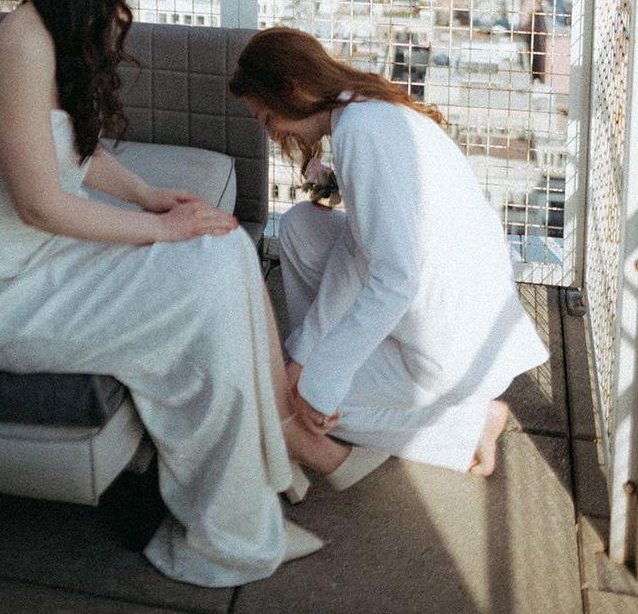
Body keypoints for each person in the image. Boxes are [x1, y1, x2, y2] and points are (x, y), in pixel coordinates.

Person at [0, 0, 341, 588]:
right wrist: (162, 230)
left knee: (226, 244)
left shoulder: (55, 32)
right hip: (6, 298)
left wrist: (149, 197)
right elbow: (41, 205)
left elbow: (73, 152)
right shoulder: (22, 47)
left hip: (50, 263)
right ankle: (226, 531)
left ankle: (271, 451)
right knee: (204, 287)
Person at [229, 27, 549, 479]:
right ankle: (328, 381)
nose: (273, 132)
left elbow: (396, 279)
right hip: (450, 314)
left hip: (450, 349)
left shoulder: (362, 133)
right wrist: (304, 357)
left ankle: (470, 422)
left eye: (267, 117)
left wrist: (321, 381)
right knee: (301, 225)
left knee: (289, 402)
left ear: (293, 91)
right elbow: (358, 251)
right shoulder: (365, 113)